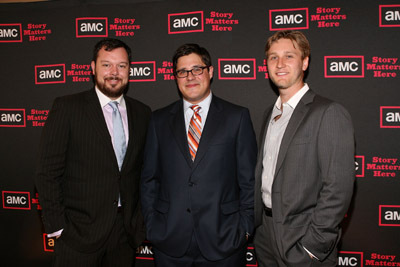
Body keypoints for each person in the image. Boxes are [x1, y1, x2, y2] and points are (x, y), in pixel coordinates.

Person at [35, 38, 151, 267]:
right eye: (106, 64)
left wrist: (139, 224)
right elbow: (46, 172)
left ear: (130, 70)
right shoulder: (68, 107)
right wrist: (58, 228)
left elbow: (144, 173)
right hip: (77, 235)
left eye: (122, 65)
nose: (114, 72)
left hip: (124, 236)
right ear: (92, 68)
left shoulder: (142, 113)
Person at [141, 43, 257, 267]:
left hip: (224, 242)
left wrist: (244, 229)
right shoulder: (159, 120)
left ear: (210, 71)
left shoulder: (237, 117)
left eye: (197, 69)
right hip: (169, 243)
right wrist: (152, 226)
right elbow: (149, 179)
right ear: (175, 77)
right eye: (182, 71)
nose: (190, 77)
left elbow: (249, 181)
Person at [254, 30, 355, 267]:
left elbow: (338, 188)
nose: (280, 64)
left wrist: (313, 246)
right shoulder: (269, 113)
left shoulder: (328, 112)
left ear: (305, 62)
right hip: (265, 236)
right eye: (273, 57)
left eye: (289, 56)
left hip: (302, 240)